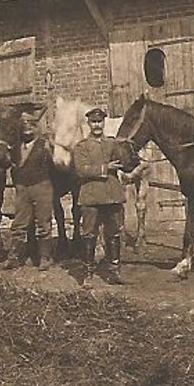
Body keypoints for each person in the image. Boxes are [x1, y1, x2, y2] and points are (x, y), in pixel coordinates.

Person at [70, 107, 129, 284]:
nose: (97, 125)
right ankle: (87, 273)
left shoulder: (113, 143)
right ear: (88, 124)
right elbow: (81, 170)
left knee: (114, 233)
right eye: (94, 122)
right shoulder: (81, 147)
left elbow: (125, 162)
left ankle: (114, 271)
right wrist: (106, 168)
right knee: (89, 234)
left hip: (112, 195)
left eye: (100, 121)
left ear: (104, 123)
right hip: (91, 196)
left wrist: (127, 149)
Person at [2, 102, 55, 271]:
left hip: (42, 186)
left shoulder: (45, 145)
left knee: (43, 223)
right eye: (24, 128)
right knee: (19, 223)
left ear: (35, 128)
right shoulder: (15, 147)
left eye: (31, 127)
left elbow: (55, 165)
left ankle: (45, 257)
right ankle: (14, 257)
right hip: (22, 188)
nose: (27, 131)